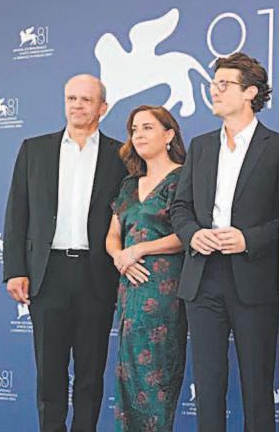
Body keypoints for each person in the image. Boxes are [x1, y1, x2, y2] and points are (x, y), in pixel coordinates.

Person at [170, 52, 279, 432]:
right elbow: (180, 207)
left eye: (224, 84)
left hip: (253, 278)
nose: (214, 91)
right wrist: (194, 234)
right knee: (207, 386)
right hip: (202, 278)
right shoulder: (201, 146)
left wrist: (247, 239)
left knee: (257, 385)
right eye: (213, 84)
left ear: (250, 92)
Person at [3, 74, 127, 432]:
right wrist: (15, 269)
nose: (77, 105)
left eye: (86, 99)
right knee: (50, 374)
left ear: (103, 108)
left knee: (90, 373)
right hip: (47, 274)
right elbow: (17, 214)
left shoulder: (121, 155)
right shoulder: (35, 149)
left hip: (96, 274)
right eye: (71, 98)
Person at [106, 105, 188, 431]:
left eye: (147, 127)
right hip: (130, 289)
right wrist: (120, 257)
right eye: (134, 129)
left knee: (158, 375)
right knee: (128, 374)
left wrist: (139, 249)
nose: (138, 135)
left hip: (164, 289)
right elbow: (113, 235)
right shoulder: (129, 184)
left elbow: (187, 234)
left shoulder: (183, 177)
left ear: (169, 134)